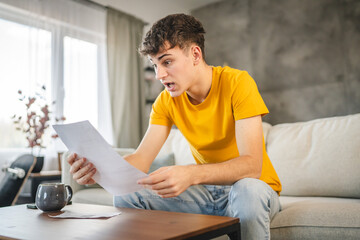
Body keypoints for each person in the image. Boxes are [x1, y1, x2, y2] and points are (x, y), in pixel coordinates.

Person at [67, 13, 281, 239]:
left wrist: (190, 173)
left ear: (195, 54)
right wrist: (100, 172)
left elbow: (252, 166)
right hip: (207, 194)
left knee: (246, 189)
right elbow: (141, 160)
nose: (160, 74)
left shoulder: (238, 83)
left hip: (255, 189)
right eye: (155, 64)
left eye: (167, 61)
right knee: (128, 195)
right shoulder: (166, 101)